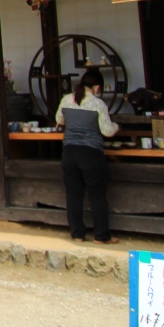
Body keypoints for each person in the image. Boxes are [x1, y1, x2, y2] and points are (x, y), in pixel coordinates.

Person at [56, 67, 119, 244]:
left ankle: (77, 234)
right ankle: (101, 236)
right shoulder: (98, 104)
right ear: (97, 87)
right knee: (97, 195)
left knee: (73, 195)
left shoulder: (66, 99)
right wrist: (117, 126)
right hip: (91, 153)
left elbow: (59, 120)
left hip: (69, 152)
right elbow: (107, 131)